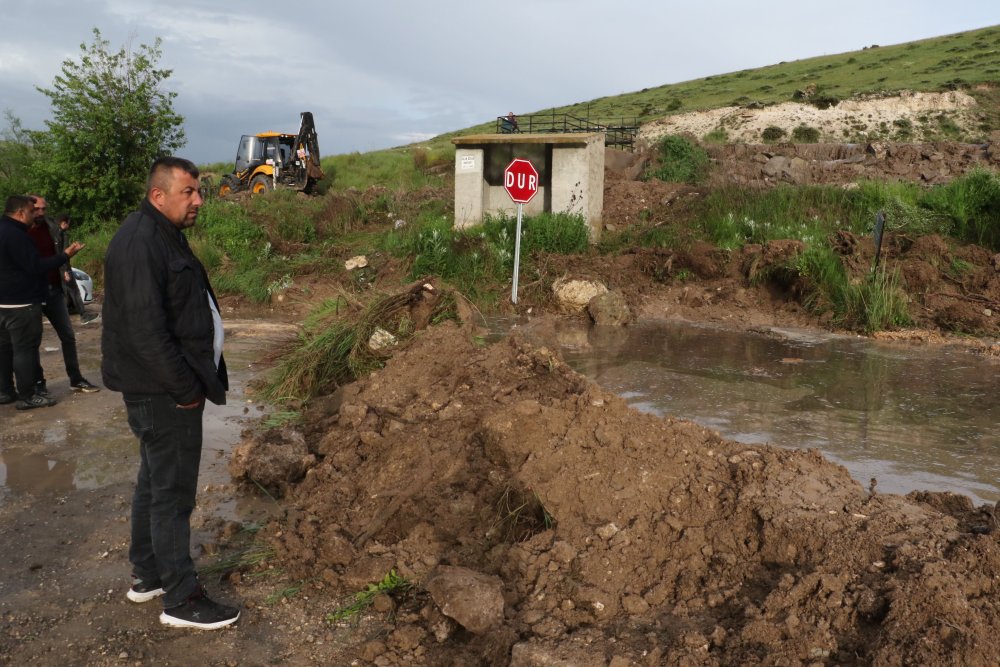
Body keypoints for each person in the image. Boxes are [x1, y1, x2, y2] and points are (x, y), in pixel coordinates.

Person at [102, 156, 239, 630]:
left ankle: (149, 574)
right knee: (173, 495)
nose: (199, 200)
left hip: (161, 390)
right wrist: (185, 389)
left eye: (198, 191)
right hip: (163, 392)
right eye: (189, 192)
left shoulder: (159, 232)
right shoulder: (140, 241)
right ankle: (181, 598)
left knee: (153, 482)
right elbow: (145, 332)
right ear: (159, 195)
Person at [0, 195, 83, 409]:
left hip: (3, 304)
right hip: (21, 303)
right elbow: (35, 266)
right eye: (31, 211)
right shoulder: (18, 235)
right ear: (20, 213)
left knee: (5, 349)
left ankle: (6, 391)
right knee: (24, 350)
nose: (35, 215)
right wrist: (65, 255)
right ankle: (28, 395)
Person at [26, 196, 100, 395]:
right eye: (37, 209)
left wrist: (65, 265)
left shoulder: (51, 226)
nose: (41, 212)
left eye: (44, 208)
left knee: (68, 335)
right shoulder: (19, 230)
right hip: (30, 293)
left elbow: (58, 253)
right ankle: (38, 383)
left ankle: (75, 378)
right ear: (27, 208)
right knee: (33, 342)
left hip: (53, 290)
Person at [54, 213, 97, 324]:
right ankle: (83, 315)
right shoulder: (60, 235)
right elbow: (60, 255)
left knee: (67, 291)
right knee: (74, 291)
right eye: (68, 224)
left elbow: (65, 255)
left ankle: (70, 310)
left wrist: (76, 250)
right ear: (64, 223)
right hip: (63, 268)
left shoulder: (55, 234)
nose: (69, 226)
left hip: (60, 267)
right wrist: (64, 271)